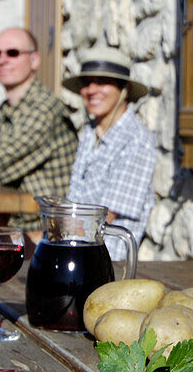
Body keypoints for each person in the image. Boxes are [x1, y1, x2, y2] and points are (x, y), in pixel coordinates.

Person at [0, 27, 76, 238]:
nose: (2, 60)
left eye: (12, 53)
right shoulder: (6, 109)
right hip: (9, 220)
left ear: (34, 60)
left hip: (47, 232)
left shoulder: (44, 110)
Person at [63, 47, 157, 260]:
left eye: (103, 82)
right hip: (73, 245)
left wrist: (53, 231)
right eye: (86, 83)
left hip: (104, 259)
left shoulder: (136, 140)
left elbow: (104, 218)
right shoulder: (90, 131)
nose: (91, 89)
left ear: (124, 90)